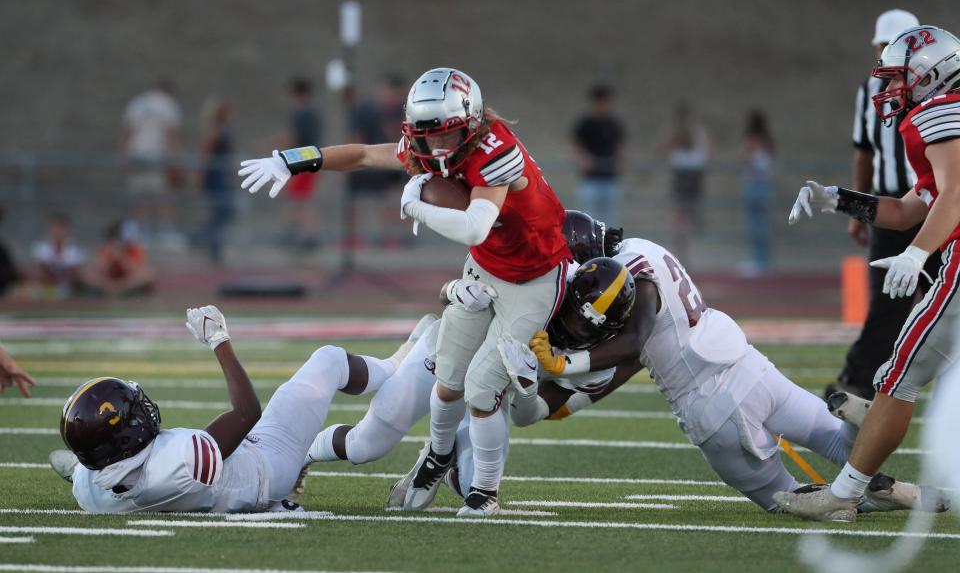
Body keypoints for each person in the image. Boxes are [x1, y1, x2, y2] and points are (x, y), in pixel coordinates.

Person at [301, 211, 946, 515]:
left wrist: (566, 372)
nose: (575, 306)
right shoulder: (620, 257)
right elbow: (618, 341)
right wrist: (563, 383)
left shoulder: (613, 283)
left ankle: (473, 486)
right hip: (739, 358)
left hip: (704, 399)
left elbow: (633, 334)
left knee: (786, 502)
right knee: (839, 440)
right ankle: (896, 490)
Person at [238, 67, 571, 517]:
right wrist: (291, 159)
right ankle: (434, 457)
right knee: (427, 403)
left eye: (446, 135)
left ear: (470, 124)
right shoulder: (432, 145)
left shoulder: (495, 151)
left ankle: (480, 492)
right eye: (426, 135)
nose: (435, 147)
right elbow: (359, 155)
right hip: (485, 271)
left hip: (531, 281)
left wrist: (416, 205)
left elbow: (474, 226)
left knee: (482, 392)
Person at [779, 25, 960, 522]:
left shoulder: (941, 111)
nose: (889, 89)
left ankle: (846, 491)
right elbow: (907, 209)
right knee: (903, 373)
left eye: (900, 77)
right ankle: (875, 418)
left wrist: (917, 255)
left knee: (901, 375)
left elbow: (955, 196)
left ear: (932, 75)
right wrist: (836, 198)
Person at [48, 305, 435, 513]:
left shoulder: (94, 489)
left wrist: (79, 466)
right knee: (328, 360)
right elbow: (248, 413)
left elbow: (79, 469)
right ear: (125, 439)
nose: (144, 413)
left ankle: (312, 450)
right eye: (133, 415)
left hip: (240, 471)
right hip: (266, 466)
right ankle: (397, 365)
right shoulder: (179, 462)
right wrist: (219, 340)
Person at [827, 9, 941, 401]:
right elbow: (873, 165)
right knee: (891, 311)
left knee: (937, 308)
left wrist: (918, 250)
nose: (886, 61)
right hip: (904, 209)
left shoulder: (941, 102)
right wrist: (845, 203)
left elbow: (951, 192)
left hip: (943, 220)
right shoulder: (879, 93)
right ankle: (865, 386)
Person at [345, 75, 408, 249]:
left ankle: (385, 238)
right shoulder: (379, 110)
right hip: (385, 158)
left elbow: (358, 139)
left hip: (379, 160)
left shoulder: (365, 111)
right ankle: (388, 237)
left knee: (379, 200)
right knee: (385, 200)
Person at [121, 80, 184, 249]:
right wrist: (175, 161)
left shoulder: (137, 103)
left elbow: (129, 133)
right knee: (162, 196)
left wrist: (126, 158)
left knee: (140, 197)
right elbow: (170, 134)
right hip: (157, 156)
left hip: (136, 155)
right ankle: (165, 232)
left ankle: (142, 233)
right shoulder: (168, 105)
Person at [659, 101, 710, 263]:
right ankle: (683, 252)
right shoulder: (692, 133)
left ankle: (683, 252)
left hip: (685, 175)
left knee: (681, 216)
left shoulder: (689, 133)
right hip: (689, 175)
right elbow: (706, 153)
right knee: (682, 216)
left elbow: (663, 149)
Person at [571, 84, 626, 228]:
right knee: (588, 217)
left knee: (611, 218)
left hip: (610, 177)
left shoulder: (614, 124)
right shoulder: (586, 124)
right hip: (590, 179)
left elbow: (620, 147)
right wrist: (584, 159)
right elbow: (576, 145)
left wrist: (620, 162)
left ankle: (611, 248)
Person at [281, 77, 323, 249]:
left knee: (301, 199)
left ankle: (307, 235)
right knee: (300, 199)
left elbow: (294, 137)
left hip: (302, 160)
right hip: (310, 159)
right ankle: (301, 233)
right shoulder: (313, 113)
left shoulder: (302, 113)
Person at [197, 97, 236, 264]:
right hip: (215, 176)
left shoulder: (222, 129)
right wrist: (200, 174)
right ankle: (205, 241)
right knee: (219, 211)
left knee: (223, 212)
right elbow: (206, 151)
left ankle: (210, 243)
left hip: (221, 175)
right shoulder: (216, 129)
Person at [740, 110, 775, 276]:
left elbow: (748, 159)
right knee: (759, 223)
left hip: (755, 183)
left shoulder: (754, 140)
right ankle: (761, 259)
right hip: (763, 183)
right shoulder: (767, 140)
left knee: (756, 224)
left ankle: (759, 260)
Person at [84, 221, 155, 297]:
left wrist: (121, 256)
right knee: (88, 273)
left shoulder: (134, 249)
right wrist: (112, 256)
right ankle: (111, 290)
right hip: (109, 280)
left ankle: (119, 290)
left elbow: (135, 269)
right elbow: (101, 268)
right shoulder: (107, 248)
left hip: (126, 280)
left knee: (148, 273)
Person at [30, 213, 87, 298]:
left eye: (62, 228)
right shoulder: (41, 248)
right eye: (56, 227)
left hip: (66, 287)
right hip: (44, 285)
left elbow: (75, 273)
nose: (59, 232)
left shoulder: (75, 250)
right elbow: (40, 270)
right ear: (50, 229)